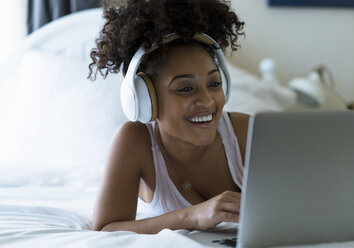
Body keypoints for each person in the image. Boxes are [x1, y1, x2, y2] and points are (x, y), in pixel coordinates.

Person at [88, 0, 249, 234]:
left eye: (214, 83)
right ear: (146, 99)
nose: (207, 101)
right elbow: (106, 229)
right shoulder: (135, 142)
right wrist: (192, 216)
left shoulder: (246, 133)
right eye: (185, 88)